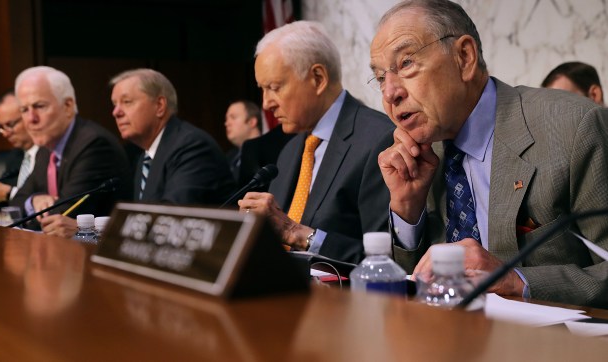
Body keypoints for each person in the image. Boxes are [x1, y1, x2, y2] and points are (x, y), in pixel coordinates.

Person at [373, 0, 608, 307]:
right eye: (380, 78)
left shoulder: (573, 126)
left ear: (464, 57)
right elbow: (410, 289)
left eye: (405, 63)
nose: (390, 93)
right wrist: (407, 209)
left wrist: (517, 281)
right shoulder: (421, 156)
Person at [237, 21, 395, 264]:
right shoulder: (290, 150)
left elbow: (386, 261)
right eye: (263, 89)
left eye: (274, 87)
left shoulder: (379, 139)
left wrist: (300, 235)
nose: (266, 103)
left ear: (318, 78)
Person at [12, 66, 132, 235]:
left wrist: (30, 213)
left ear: (68, 106)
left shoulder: (94, 145)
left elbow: (63, 217)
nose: (31, 119)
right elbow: (16, 203)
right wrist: (33, 201)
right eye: (24, 110)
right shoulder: (46, 149)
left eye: (39, 106)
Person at [110, 68, 235, 205]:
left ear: (159, 106)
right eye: (115, 104)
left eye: (127, 101)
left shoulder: (191, 146)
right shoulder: (145, 158)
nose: (116, 112)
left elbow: (172, 215)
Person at [0, 92, 44, 205]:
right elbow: (4, 203)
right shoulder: (15, 156)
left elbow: (45, 200)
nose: (5, 133)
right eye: (1, 127)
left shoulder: (51, 155)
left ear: (29, 116)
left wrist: (8, 193)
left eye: (10, 125)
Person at [224, 100, 262, 180]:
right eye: (226, 119)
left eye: (233, 117)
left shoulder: (269, 151)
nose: (227, 123)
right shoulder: (228, 157)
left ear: (252, 122)